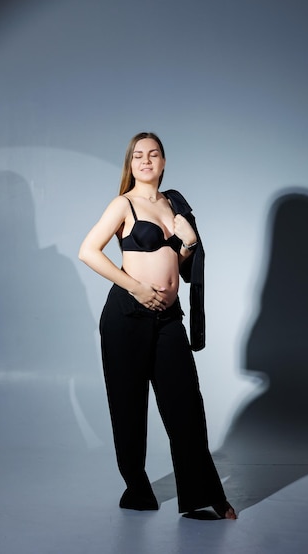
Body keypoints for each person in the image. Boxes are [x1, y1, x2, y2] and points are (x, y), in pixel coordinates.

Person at [78, 132, 236, 520]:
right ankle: (137, 489)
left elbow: (182, 271)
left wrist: (187, 244)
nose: (145, 161)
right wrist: (134, 287)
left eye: (153, 154)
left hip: (168, 318)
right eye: (138, 156)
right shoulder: (123, 204)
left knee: (186, 406)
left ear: (164, 162)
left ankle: (201, 496)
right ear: (130, 165)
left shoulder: (175, 205)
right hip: (126, 317)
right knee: (129, 407)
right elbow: (87, 251)